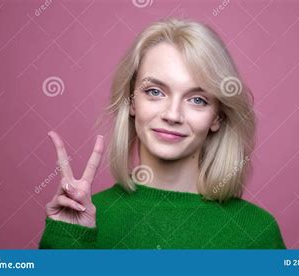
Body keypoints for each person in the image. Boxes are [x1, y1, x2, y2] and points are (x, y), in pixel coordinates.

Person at [39, 18, 286, 249]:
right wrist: (69, 241)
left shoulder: (257, 232)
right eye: (155, 92)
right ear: (132, 101)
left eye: (197, 99)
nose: (173, 115)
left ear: (217, 117)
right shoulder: (84, 218)